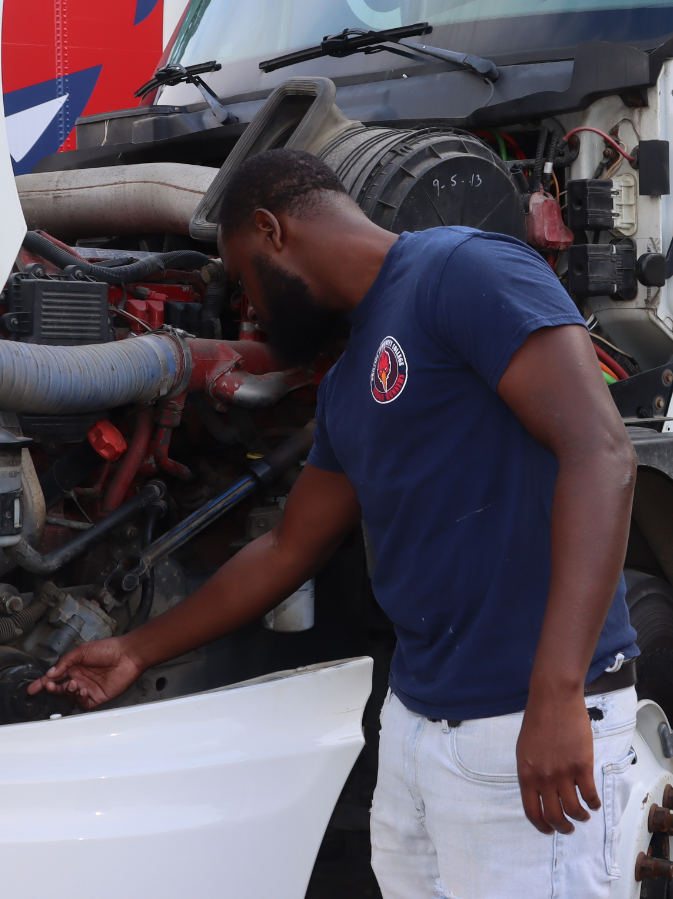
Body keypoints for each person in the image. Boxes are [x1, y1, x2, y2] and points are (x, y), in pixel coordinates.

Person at [32, 148, 640, 897]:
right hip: (420, 727)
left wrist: (555, 692)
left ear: (272, 229)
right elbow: (288, 546)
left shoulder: (461, 268)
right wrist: (132, 648)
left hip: (523, 719)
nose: (249, 307)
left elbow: (601, 452)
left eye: (247, 276)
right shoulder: (350, 382)